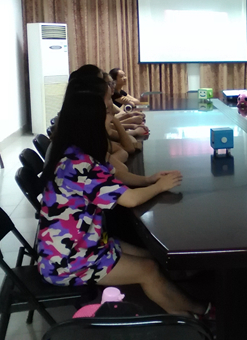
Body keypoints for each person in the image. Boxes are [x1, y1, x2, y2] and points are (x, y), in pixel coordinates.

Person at [37, 91, 210, 317]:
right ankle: (194, 316)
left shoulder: (75, 152)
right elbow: (130, 199)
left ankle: (193, 305)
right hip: (67, 259)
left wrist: (149, 180)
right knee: (148, 270)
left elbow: (117, 176)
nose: (112, 118)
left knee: (151, 257)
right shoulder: (79, 165)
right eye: (108, 113)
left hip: (86, 242)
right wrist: (160, 186)